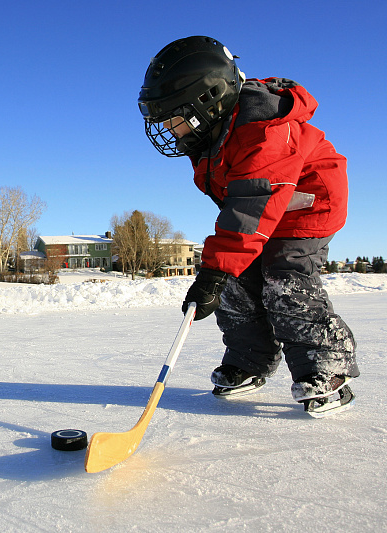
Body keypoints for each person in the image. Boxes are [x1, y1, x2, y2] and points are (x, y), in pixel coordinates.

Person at [137, 36, 358, 416]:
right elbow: (243, 210)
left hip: (308, 204)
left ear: (209, 100)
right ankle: (251, 359)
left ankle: (327, 368)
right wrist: (223, 272)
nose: (172, 130)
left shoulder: (263, 131)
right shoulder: (213, 137)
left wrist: (213, 272)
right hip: (262, 208)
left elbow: (249, 207)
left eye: (177, 119)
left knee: (284, 277)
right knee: (236, 281)